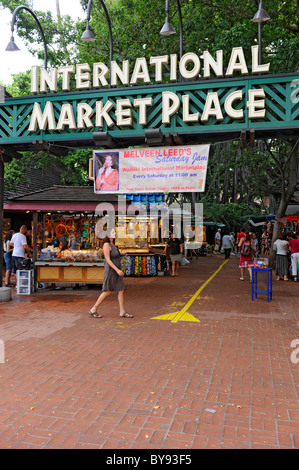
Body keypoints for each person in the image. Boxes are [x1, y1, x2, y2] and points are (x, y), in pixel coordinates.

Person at [88, 228, 133, 319]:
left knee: (120, 290)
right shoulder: (106, 244)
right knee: (107, 291)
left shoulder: (113, 244)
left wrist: (122, 253)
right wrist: (117, 270)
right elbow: (108, 259)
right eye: (113, 232)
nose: (115, 233)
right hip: (112, 270)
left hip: (117, 270)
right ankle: (93, 309)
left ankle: (122, 311)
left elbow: (115, 254)